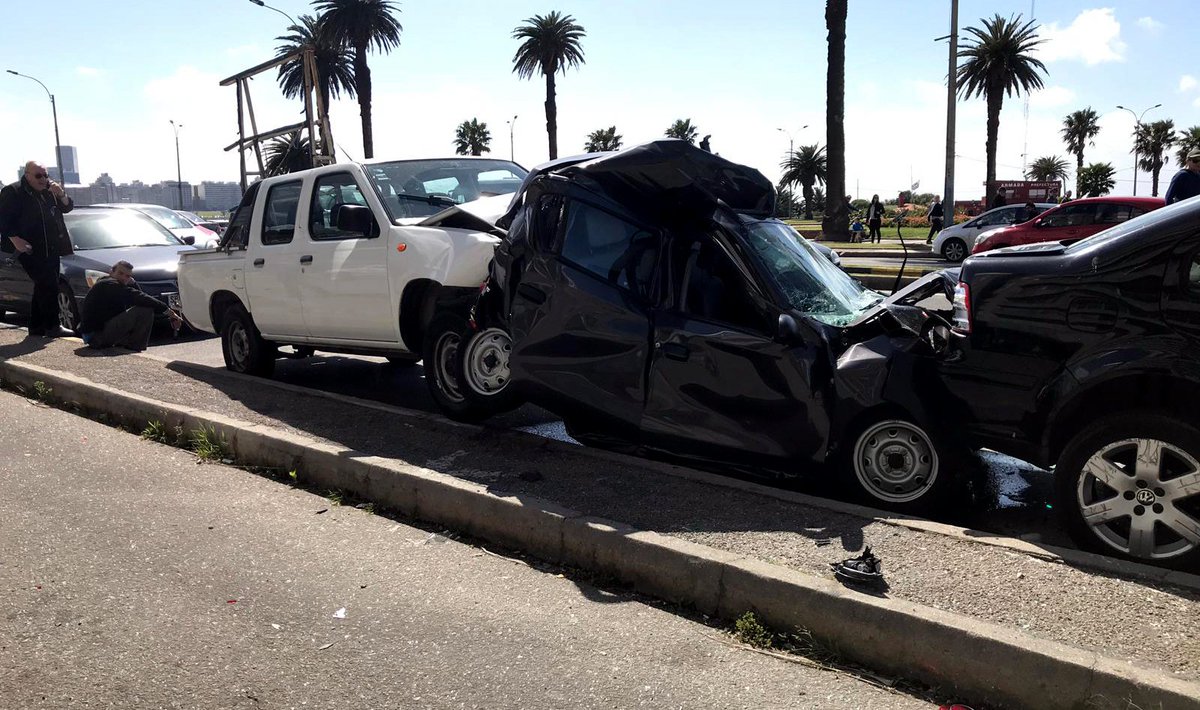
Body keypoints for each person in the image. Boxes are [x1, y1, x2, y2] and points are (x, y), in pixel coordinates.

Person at [0, 161, 75, 336]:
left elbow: (67, 207)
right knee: (47, 283)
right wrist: (15, 239)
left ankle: (36, 327)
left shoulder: (50, 191)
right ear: (27, 175)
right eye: (38, 176)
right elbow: (3, 219)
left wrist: (61, 194)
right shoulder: (14, 191)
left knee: (45, 284)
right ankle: (52, 326)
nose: (43, 179)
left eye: (45, 175)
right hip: (28, 247)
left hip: (51, 245)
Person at [79, 261, 182, 352]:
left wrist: (133, 283)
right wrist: (171, 313)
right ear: (111, 272)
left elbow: (138, 298)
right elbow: (140, 298)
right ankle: (135, 346)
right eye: (120, 273)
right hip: (96, 337)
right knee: (145, 310)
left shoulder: (106, 283)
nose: (124, 277)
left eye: (127, 276)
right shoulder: (109, 285)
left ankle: (127, 343)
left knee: (142, 306)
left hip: (96, 333)